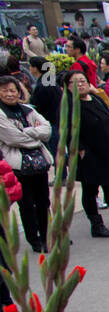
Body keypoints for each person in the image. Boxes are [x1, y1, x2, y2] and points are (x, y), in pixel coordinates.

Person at [70, 70, 109, 237]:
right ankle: (96, 225)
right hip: (90, 156)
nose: (81, 85)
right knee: (90, 191)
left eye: (83, 81)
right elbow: (69, 131)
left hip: (108, 152)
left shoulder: (96, 99)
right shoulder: (70, 106)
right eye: (75, 82)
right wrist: (81, 151)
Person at [0, 76, 53, 251]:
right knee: (27, 204)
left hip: (39, 164)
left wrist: (27, 132)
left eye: (12, 90)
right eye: (5, 90)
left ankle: (47, 235)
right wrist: (35, 136)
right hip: (18, 166)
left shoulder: (27, 110)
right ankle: (34, 239)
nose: (9, 94)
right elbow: (12, 138)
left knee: (43, 201)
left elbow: (47, 129)